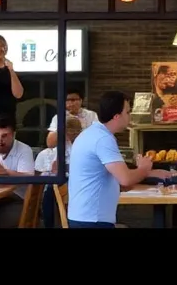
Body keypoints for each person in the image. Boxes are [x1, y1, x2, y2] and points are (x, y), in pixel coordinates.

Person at [67, 90, 168, 228]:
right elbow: (125, 179)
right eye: (127, 112)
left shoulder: (93, 133)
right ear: (116, 116)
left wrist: (146, 174)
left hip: (85, 216)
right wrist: (144, 169)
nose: (130, 116)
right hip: (92, 220)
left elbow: (120, 181)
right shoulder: (103, 139)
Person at [36, 115, 83, 228]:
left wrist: (64, 168)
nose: (72, 135)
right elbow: (44, 172)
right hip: (61, 181)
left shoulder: (83, 144)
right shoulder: (55, 148)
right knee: (49, 192)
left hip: (80, 181)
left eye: (75, 132)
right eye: (70, 132)